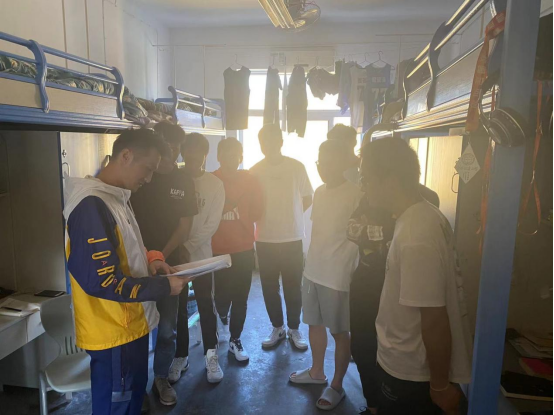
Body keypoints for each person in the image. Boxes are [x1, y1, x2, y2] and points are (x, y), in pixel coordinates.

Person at [63, 129, 190, 415]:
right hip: (114, 333)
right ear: (126, 156)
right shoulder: (91, 205)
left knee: (131, 402)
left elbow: (124, 250)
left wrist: (151, 262)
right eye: (148, 169)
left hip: (130, 326)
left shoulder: (116, 198)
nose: (149, 178)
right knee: (116, 408)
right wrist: (164, 287)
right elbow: (102, 281)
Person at [360, 137, 473, 415]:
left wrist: (439, 386)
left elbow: (434, 318)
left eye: (367, 178)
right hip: (408, 367)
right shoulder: (420, 216)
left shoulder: (416, 234)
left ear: (390, 180)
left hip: (412, 374)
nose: (364, 186)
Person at [347, 188, 438, 415]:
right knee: (361, 347)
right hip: (364, 283)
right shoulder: (368, 197)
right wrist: (383, 231)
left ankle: (390, 404)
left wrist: (372, 230)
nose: (365, 183)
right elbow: (351, 230)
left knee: (393, 347)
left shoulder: (426, 201)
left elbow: (398, 235)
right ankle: (373, 407)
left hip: (397, 285)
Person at [289, 140, 362, 411]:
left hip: (337, 275)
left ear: (343, 163)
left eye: (329, 162)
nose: (323, 168)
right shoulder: (319, 192)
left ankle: (337, 385)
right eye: (320, 162)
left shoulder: (356, 194)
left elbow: (358, 237)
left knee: (340, 331)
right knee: (314, 323)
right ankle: (317, 372)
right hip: (313, 270)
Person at [131, 122, 198, 406]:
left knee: (168, 326)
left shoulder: (184, 181)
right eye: (167, 146)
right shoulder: (140, 177)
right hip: (134, 263)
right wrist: (145, 255)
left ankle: (161, 377)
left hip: (170, 265)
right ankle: (135, 387)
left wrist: (159, 255)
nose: (172, 153)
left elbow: (185, 227)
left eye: (176, 147)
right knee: (134, 326)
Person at [250, 124, 314, 350]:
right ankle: (278, 327)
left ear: (280, 142)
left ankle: (294, 328)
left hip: (291, 237)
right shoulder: (255, 170)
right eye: (263, 142)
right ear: (260, 145)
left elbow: (307, 197)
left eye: (271, 140)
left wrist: (291, 216)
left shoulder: (296, 167)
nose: (267, 145)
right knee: (269, 287)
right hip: (264, 237)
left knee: (293, 286)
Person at [177, 133, 226, 383]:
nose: (194, 156)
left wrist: (188, 245)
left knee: (206, 305)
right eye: (189, 151)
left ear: (206, 155)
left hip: (202, 256)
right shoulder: (174, 179)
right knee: (178, 308)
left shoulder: (215, 184)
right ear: (183, 153)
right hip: (176, 256)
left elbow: (212, 224)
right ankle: (180, 356)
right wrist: (178, 248)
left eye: (199, 152)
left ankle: (211, 356)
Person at [212, 138, 264, 362]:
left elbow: (259, 209)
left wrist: (244, 219)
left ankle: (235, 339)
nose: (230, 158)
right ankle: (222, 315)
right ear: (219, 156)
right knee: (221, 296)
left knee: (241, 297)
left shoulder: (250, 180)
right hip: (217, 249)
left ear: (240, 157)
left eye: (235, 155)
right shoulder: (211, 180)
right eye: (226, 154)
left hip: (243, 248)